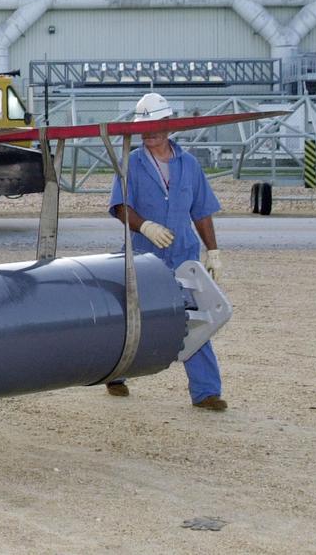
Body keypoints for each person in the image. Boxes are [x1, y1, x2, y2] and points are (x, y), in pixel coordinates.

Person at [105, 91, 229, 411]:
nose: (150, 133)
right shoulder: (130, 163)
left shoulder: (188, 165)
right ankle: (116, 373)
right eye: (145, 127)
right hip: (143, 255)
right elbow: (120, 207)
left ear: (169, 125)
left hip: (184, 256)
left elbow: (201, 211)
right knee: (133, 319)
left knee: (194, 320)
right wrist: (145, 226)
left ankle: (206, 392)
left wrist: (212, 251)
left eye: (157, 125)